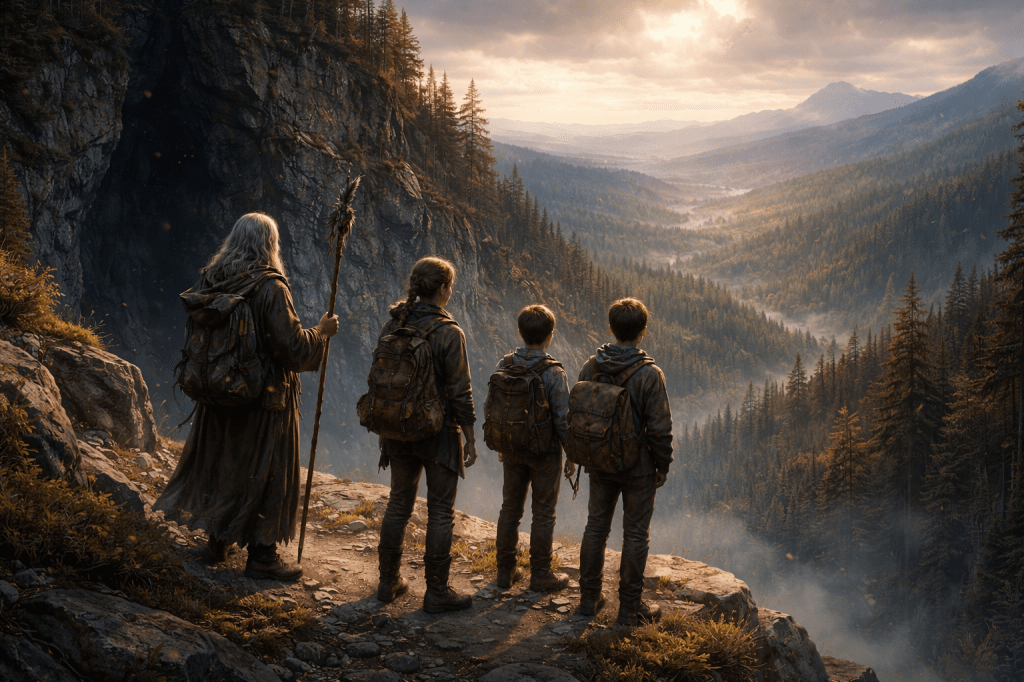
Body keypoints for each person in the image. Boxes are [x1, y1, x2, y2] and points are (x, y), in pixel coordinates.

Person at [156, 212, 339, 581]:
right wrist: (321, 332)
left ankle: (217, 541)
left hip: (218, 394)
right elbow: (291, 348)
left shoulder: (213, 279)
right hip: (262, 401)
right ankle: (262, 556)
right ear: (270, 244)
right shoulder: (270, 287)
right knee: (266, 472)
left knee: (221, 466)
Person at [374, 256, 478, 613]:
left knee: (398, 504)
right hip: (438, 432)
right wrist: (470, 436)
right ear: (443, 289)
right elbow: (460, 392)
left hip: (398, 428)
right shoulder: (449, 332)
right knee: (440, 512)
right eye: (451, 286)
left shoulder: (393, 324)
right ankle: (436, 592)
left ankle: (387, 582)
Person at [576, 298, 673, 625]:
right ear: (643, 331)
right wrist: (663, 464)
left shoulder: (591, 366)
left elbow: (580, 413)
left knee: (595, 528)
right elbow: (660, 427)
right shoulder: (650, 374)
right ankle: (630, 607)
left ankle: (588, 599)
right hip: (638, 467)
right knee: (635, 535)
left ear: (611, 328)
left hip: (600, 460)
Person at [491, 304, 574, 592]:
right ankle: (540, 574)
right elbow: (563, 419)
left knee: (510, 509)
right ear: (550, 336)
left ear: (519, 333)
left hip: (512, 449)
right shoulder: (554, 372)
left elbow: (494, 406)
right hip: (544, 453)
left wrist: (502, 440)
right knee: (543, 513)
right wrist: (571, 455)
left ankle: (505, 572)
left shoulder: (504, 363)